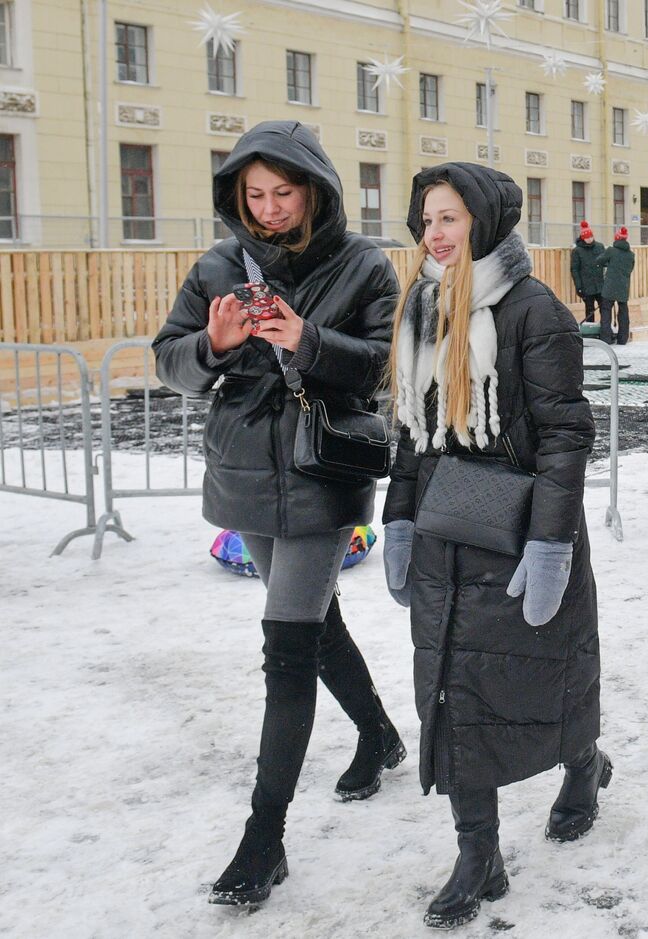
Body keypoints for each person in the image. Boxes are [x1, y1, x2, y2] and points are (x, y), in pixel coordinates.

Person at [152, 120, 404, 906]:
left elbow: (384, 366)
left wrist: (308, 340)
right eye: (253, 194)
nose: (267, 208)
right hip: (243, 467)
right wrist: (216, 345)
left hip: (322, 469)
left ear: (315, 188)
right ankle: (380, 734)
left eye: (282, 193)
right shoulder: (221, 263)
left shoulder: (363, 264)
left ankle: (264, 839)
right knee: (314, 621)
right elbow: (170, 359)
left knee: (286, 645)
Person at [380, 162, 607, 930]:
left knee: (550, 669)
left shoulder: (533, 310)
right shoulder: (423, 306)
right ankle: (479, 850)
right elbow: (413, 433)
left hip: (519, 528)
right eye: (426, 221)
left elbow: (566, 434)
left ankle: (583, 766)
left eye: (449, 219)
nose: (435, 235)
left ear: (484, 221)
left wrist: (550, 545)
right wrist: (399, 519)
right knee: (449, 689)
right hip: (446, 526)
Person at [598, 226, 635, 345]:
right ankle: (622, 339)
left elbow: (599, 261)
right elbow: (630, 269)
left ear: (617, 238)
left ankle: (606, 338)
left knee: (606, 311)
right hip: (623, 286)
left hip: (609, 287)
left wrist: (608, 264)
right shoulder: (631, 255)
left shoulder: (611, 250)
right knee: (623, 312)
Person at [569, 220, 606, 324]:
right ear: (583, 238)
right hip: (587, 285)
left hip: (600, 284)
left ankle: (605, 329)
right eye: (587, 238)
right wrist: (579, 287)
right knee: (590, 310)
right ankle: (590, 329)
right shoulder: (577, 251)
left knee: (605, 308)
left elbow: (605, 263)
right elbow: (574, 269)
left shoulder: (600, 247)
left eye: (591, 237)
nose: (589, 239)